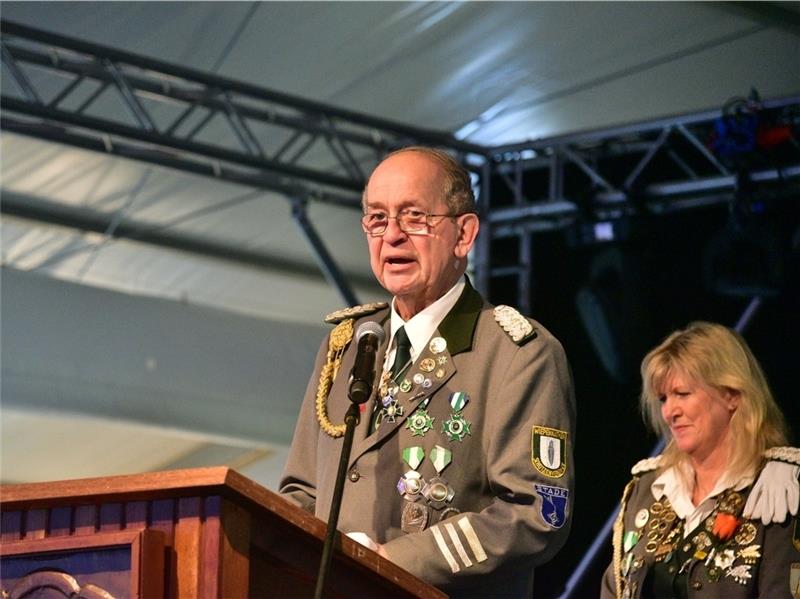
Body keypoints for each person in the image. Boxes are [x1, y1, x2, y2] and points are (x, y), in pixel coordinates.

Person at [280, 146, 576, 597]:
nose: (392, 236)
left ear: (464, 234)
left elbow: (537, 513)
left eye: (414, 217)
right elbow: (301, 493)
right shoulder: (346, 346)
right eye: (377, 219)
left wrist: (394, 562)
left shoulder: (517, 354)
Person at [601, 322, 800, 598]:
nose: (669, 411)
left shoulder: (776, 488)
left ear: (731, 394)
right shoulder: (648, 488)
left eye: (682, 394)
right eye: (663, 398)